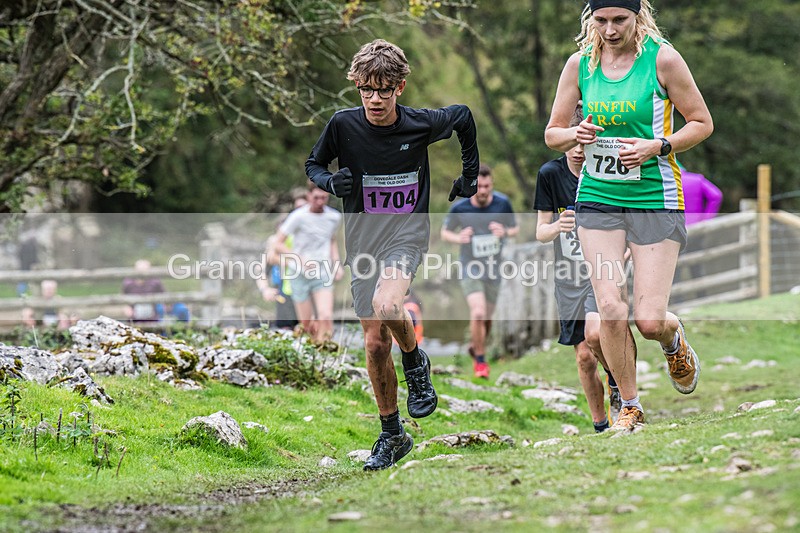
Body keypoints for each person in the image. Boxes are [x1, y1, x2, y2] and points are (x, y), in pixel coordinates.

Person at [305, 38, 479, 470]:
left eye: (384, 90)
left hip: (406, 234)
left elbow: (463, 117)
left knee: (388, 305)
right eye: (367, 89)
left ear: (400, 87)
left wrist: (470, 177)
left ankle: (415, 361)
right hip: (362, 243)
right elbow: (313, 164)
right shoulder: (342, 125)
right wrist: (330, 183)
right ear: (357, 87)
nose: (375, 99)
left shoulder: (420, 123)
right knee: (374, 342)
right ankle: (392, 434)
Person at [544, 0, 713, 431]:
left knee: (649, 320)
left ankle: (673, 339)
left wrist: (660, 146)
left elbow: (701, 122)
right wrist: (575, 135)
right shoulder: (579, 65)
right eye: (600, 20)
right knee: (609, 306)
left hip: (655, 197)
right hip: (597, 197)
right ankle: (630, 406)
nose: (610, 29)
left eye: (619, 19)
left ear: (638, 16)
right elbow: (553, 133)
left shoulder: (663, 59)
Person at [534, 104, 620, 431]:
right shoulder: (550, 175)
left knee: (596, 334)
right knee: (584, 358)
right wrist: (558, 226)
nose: (580, 151)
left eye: (587, 144)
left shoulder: (606, 171)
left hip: (602, 270)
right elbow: (540, 232)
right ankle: (600, 425)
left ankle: (618, 382)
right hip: (568, 277)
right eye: (574, 142)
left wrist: (624, 254)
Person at [441, 164, 518, 379]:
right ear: (473, 185)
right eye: (479, 186)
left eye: (487, 186)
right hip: (471, 266)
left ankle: (476, 346)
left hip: (494, 268)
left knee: (487, 319)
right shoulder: (460, 207)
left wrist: (504, 232)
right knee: (478, 313)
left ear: (492, 184)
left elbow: (515, 228)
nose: (483, 191)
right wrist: (459, 237)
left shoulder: (502, 203)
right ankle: (481, 362)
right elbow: (445, 233)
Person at [271, 183, 343, 343]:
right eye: (316, 197)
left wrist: (336, 264)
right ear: (309, 196)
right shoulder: (298, 217)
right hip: (299, 272)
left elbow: (331, 240)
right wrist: (300, 259)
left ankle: (326, 349)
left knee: (325, 315)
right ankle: (313, 349)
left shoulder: (334, 217)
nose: (320, 201)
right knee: (307, 323)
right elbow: (277, 243)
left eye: (324, 198)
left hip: (322, 270)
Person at [259, 194, 308, 330]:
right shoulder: (274, 241)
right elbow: (261, 270)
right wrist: (265, 289)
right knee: (287, 330)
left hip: (307, 291)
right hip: (284, 292)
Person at [122, 259, 190, 324]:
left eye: (145, 270)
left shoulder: (155, 281)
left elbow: (164, 297)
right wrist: (127, 309)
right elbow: (123, 300)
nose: (142, 273)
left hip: (154, 314)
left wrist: (165, 307)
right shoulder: (128, 283)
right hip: (135, 315)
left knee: (180, 309)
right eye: (140, 270)